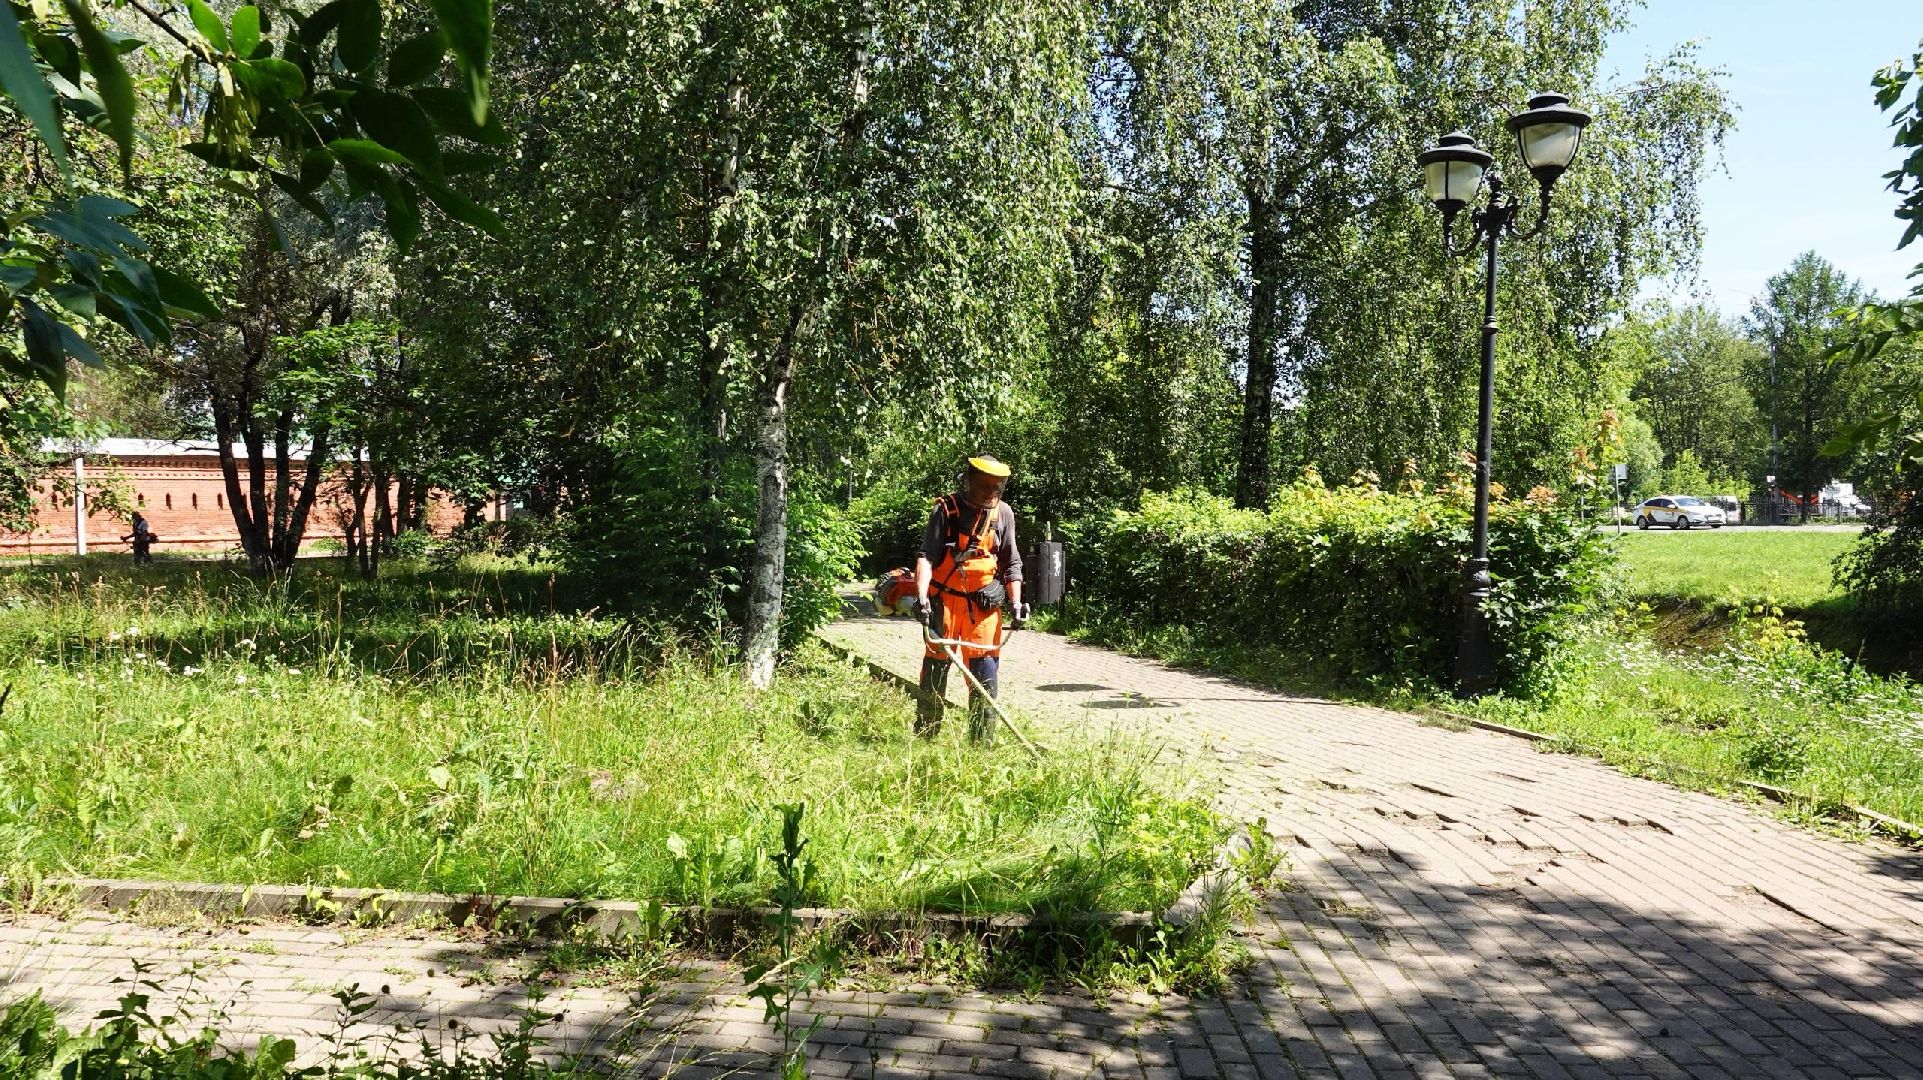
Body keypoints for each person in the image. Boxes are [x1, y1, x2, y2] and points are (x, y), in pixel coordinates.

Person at [913, 454, 1029, 743]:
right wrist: (922, 599)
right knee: (935, 674)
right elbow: (927, 556)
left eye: (995, 487)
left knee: (985, 679)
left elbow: (1011, 563)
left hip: (983, 610)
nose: (989, 492)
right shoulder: (947, 509)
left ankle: (981, 746)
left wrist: (1015, 604)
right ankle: (926, 737)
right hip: (945, 605)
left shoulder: (1004, 514)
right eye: (983, 486)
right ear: (970, 480)